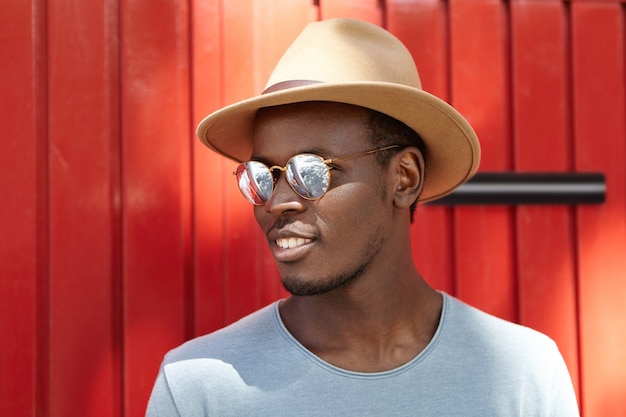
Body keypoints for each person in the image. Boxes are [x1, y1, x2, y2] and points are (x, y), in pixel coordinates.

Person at [146, 18, 579, 416]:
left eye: (310, 170)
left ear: (404, 178)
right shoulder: (198, 387)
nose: (276, 202)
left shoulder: (525, 375)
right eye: (262, 176)